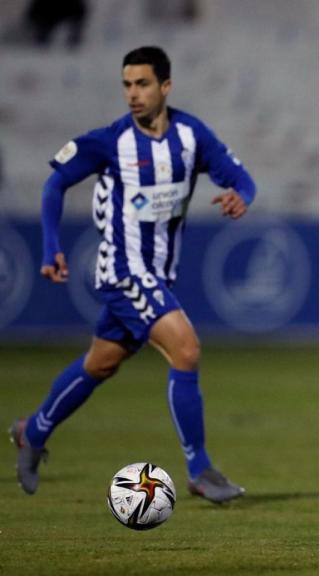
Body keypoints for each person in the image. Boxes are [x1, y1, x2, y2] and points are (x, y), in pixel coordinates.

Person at [9, 46, 252, 503]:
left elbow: (240, 177)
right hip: (124, 271)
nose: (133, 94)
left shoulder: (190, 135)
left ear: (165, 86)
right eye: (126, 84)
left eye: (142, 84)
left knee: (101, 362)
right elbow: (55, 182)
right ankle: (200, 471)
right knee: (186, 347)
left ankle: (33, 430)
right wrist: (50, 246)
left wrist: (241, 194)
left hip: (158, 273)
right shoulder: (110, 141)